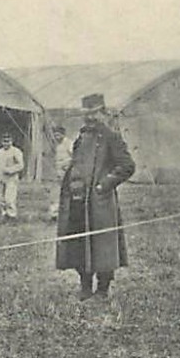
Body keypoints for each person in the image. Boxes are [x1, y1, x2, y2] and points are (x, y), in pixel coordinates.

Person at [56, 93, 136, 300]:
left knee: (102, 246)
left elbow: (127, 166)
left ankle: (102, 289)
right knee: (79, 244)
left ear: (103, 112)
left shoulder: (111, 137)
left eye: (94, 113)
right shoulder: (81, 137)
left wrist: (103, 186)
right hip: (78, 201)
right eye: (86, 114)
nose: (90, 118)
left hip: (99, 203)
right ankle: (84, 286)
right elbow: (76, 163)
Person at [0, 134, 25, 222]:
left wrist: (10, 170)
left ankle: (12, 216)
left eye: (8, 141)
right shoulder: (0, 151)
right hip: (1, 177)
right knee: (1, 198)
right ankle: (4, 214)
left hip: (11, 178)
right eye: (4, 141)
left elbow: (21, 165)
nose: (6, 144)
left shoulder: (16, 151)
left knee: (9, 198)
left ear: (11, 141)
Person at [47, 124, 73, 220]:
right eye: (55, 135)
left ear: (63, 134)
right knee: (55, 193)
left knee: (67, 193)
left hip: (67, 172)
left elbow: (74, 157)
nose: (56, 137)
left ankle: (68, 214)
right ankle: (54, 214)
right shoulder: (57, 145)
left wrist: (66, 165)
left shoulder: (69, 143)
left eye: (58, 135)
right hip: (58, 173)